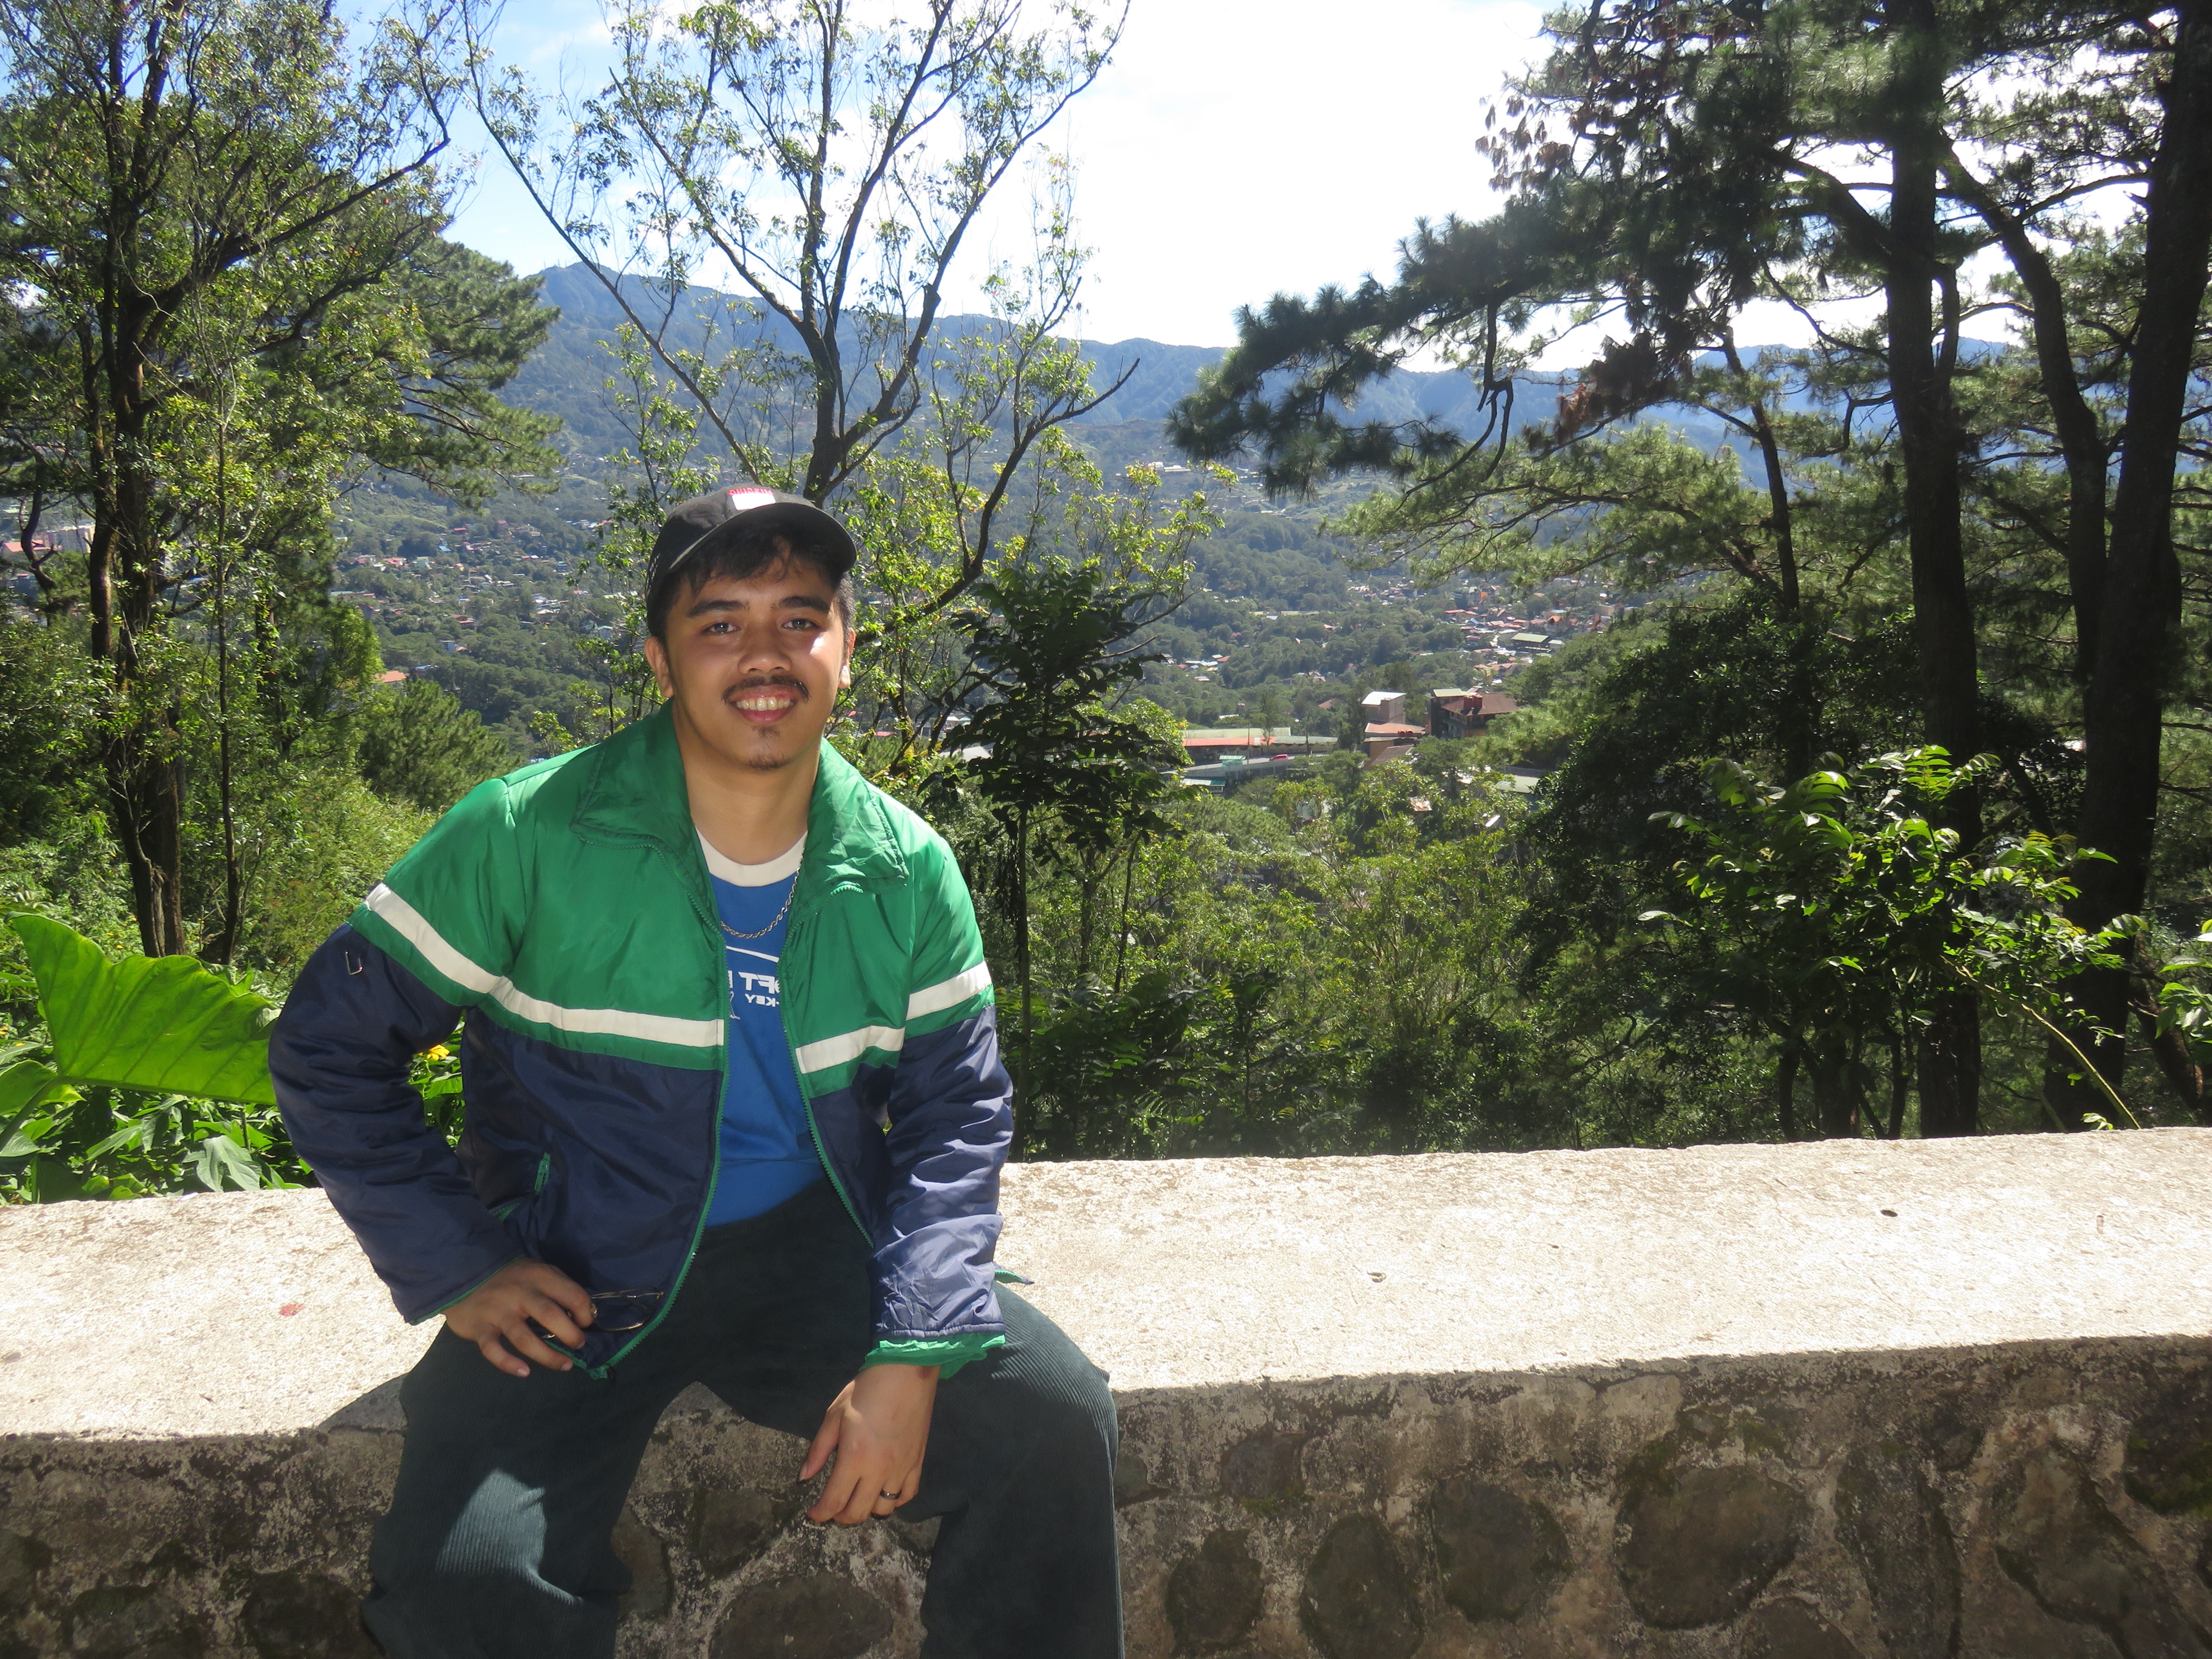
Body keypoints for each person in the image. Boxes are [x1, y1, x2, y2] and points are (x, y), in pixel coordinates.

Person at [270, 487, 1122, 1659]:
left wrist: (913, 1352)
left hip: (818, 1249)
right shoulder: (528, 836)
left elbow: (953, 1117)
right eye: (721, 622)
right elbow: (327, 1042)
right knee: (468, 1583)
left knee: (1054, 1422)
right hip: (582, 1266)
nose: (765, 656)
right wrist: (462, 1261)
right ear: (662, 656)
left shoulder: (902, 869)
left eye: (800, 619)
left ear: (846, 648)